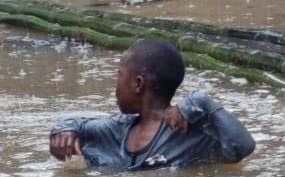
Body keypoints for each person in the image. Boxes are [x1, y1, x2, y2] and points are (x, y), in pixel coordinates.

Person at [49, 38, 256, 170]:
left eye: (119, 75)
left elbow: (243, 147)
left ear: (138, 84)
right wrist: (64, 130)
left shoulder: (190, 133)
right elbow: (76, 124)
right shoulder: (118, 128)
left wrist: (203, 101)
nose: (116, 86)